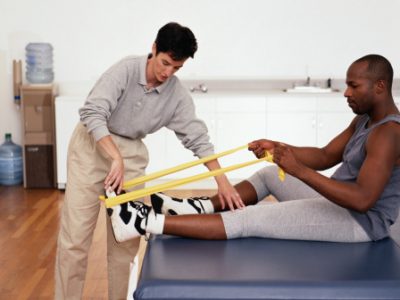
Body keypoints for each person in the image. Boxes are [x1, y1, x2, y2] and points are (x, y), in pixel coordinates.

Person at [107, 54, 400, 244]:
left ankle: (142, 221)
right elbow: (324, 156)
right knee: (270, 174)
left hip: (359, 223)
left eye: (354, 86)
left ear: (379, 87)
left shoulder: (389, 134)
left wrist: (297, 169)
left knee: (248, 219)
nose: (346, 92)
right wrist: (280, 149)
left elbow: (362, 200)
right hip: (341, 205)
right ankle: (197, 207)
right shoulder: (364, 119)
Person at [54, 22, 243, 300]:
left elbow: (197, 138)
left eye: (176, 68)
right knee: (75, 241)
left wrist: (222, 181)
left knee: (125, 240)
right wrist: (113, 155)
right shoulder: (125, 70)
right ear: (153, 49)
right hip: (92, 147)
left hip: (129, 154)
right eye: (165, 62)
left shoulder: (176, 95)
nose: (168, 73)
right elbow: (92, 111)